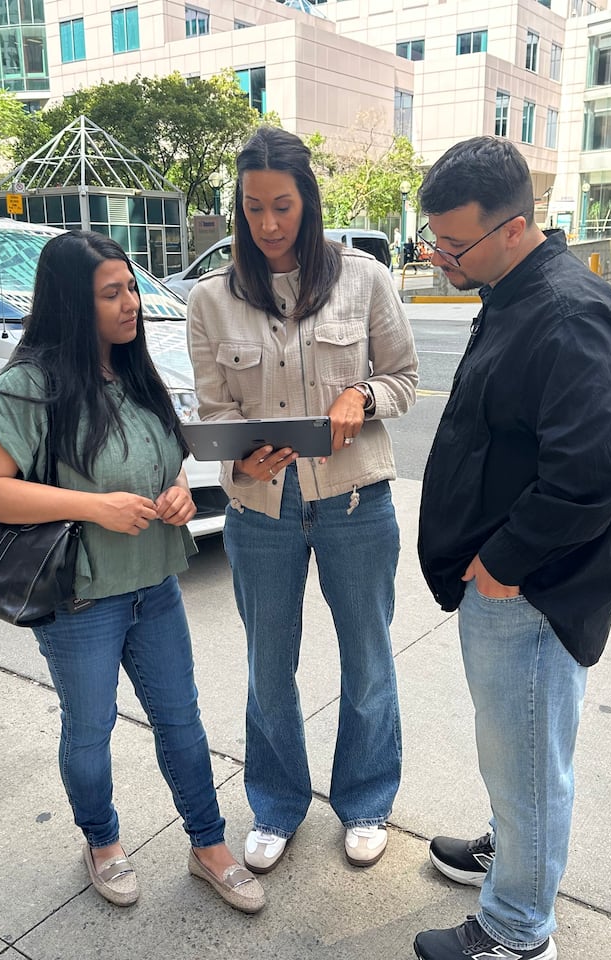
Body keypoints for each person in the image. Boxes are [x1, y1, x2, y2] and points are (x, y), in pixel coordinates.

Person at [0, 230, 264, 915]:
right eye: (112, 293)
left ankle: (208, 846)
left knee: (181, 721)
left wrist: (180, 490)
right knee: (90, 730)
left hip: (154, 584)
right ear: (72, 303)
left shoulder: (132, 370)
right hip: (81, 598)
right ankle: (101, 842)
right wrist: (92, 506)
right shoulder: (30, 385)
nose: (131, 304)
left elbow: (163, 457)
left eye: (131, 288)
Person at [413, 137, 611, 960]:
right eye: (432, 239)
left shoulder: (568, 314)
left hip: (535, 590)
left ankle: (517, 932)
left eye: (454, 243)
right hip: (511, 582)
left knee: (530, 757)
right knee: (512, 746)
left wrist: (505, 563)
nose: (438, 256)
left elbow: (598, 470)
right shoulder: (516, 292)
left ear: (514, 228)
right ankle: (511, 851)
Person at [186, 127, 418, 875]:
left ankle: (366, 798)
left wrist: (361, 394)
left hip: (356, 501)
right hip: (262, 509)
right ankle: (277, 803)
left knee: (369, 656)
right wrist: (241, 450)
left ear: (308, 200)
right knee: (268, 663)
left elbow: (405, 380)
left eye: (282, 205)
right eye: (253, 208)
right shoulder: (211, 300)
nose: (269, 224)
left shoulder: (366, 279)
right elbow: (215, 411)